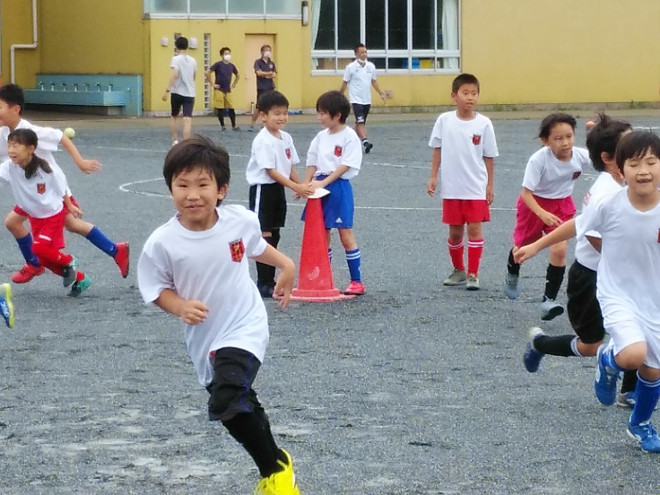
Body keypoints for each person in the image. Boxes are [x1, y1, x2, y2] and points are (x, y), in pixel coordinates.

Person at [137, 135, 302, 493]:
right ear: (170, 190)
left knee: (229, 396)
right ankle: (277, 464)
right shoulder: (163, 243)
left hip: (245, 325)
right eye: (182, 185)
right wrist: (179, 306)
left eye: (202, 184)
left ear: (222, 189)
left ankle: (277, 479)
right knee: (233, 405)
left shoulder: (238, 222)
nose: (192, 194)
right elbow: (154, 290)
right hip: (205, 338)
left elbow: (256, 248)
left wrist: (286, 264)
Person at [514, 130, 660, 453]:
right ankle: (608, 359)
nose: (645, 170)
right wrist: (536, 245)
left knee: (653, 368)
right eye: (635, 164)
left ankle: (640, 424)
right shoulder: (610, 203)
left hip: (654, 298)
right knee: (633, 355)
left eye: (652, 162)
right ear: (621, 169)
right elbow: (577, 226)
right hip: (616, 293)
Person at [521, 113, 638, 407]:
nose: (639, 149)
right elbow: (589, 232)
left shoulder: (633, 178)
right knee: (591, 345)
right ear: (610, 158)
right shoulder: (606, 193)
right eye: (630, 145)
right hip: (593, 276)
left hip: (624, 273)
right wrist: (537, 245)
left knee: (642, 329)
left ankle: (631, 391)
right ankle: (541, 344)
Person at [0, 84, 129, 285]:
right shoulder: (5, 133)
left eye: (0, 106)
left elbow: (61, 137)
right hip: (31, 193)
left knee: (72, 224)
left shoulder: (31, 131)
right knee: (15, 222)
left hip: (51, 191)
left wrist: (80, 161)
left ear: (15, 109)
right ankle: (36, 264)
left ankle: (113, 251)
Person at [503, 113, 590, 319]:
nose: (565, 142)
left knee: (560, 250)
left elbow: (605, 160)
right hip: (534, 205)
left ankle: (548, 301)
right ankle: (512, 272)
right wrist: (542, 213)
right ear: (545, 141)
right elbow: (526, 193)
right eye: (558, 139)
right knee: (523, 248)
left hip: (562, 205)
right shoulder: (538, 160)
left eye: (569, 136)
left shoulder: (580, 156)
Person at [426, 73, 498, 291]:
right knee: (455, 232)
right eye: (465, 93)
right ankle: (458, 269)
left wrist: (489, 185)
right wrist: (433, 177)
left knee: (475, 230)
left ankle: (473, 273)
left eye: (474, 93)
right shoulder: (444, 120)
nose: (470, 97)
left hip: (475, 187)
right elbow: (437, 149)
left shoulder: (484, 123)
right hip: (452, 187)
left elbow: (489, 156)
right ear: (454, 96)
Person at [0, 129, 91, 296]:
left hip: (53, 216)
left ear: (31, 148)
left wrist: (69, 205)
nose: (11, 150)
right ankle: (80, 278)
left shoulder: (44, 169)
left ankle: (69, 260)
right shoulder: (9, 167)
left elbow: (61, 184)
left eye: (17, 145)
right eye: (9, 145)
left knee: (38, 248)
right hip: (35, 217)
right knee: (44, 259)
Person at [246, 90, 314, 297]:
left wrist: (301, 185)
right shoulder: (263, 140)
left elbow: (288, 166)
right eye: (276, 113)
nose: (282, 117)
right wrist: (295, 187)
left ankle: (272, 280)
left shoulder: (286, 138)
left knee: (275, 233)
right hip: (263, 189)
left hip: (277, 189)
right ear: (263, 116)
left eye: (285, 113)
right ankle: (263, 282)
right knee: (263, 234)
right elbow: (271, 171)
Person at [303, 90, 365, 295]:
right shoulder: (320, 137)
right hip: (319, 186)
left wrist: (324, 183)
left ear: (337, 115)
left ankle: (356, 281)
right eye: (318, 113)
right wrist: (306, 184)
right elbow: (312, 161)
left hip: (338, 187)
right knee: (321, 233)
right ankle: (323, 277)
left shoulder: (349, 136)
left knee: (345, 233)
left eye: (323, 113)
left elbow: (345, 165)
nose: (319, 118)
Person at [339, 43, 387, 154]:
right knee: (360, 122)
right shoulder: (350, 68)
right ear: (356, 54)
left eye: (365, 52)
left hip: (367, 100)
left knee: (360, 123)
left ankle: (347, 141)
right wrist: (339, 95)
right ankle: (365, 142)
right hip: (356, 100)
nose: (364, 54)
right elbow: (344, 83)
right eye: (361, 52)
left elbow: (374, 81)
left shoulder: (371, 67)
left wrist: (381, 93)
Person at [162, 36, 197, 146]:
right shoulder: (193, 60)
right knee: (187, 119)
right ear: (187, 47)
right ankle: (186, 143)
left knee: (174, 116)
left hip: (177, 91)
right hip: (190, 93)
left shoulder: (176, 59)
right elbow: (194, 76)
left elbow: (174, 74)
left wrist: (167, 90)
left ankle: (175, 140)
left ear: (177, 47)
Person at [205, 46, 240, 131]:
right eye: (226, 54)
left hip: (228, 89)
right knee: (219, 108)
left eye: (229, 53)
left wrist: (234, 84)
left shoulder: (232, 66)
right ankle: (222, 125)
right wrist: (212, 84)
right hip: (219, 89)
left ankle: (234, 125)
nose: (228, 55)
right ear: (222, 55)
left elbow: (238, 75)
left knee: (231, 107)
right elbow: (207, 72)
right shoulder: (218, 64)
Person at [249, 44, 277, 131]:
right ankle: (252, 124)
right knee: (259, 106)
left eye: (269, 50)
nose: (268, 52)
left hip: (270, 87)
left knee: (270, 106)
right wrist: (268, 73)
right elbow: (258, 73)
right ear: (262, 52)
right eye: (266, 50)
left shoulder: (271, 63)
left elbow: (274, 74)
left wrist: (266, 74)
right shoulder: (258, 62)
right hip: (261, 87)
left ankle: (265, 124)